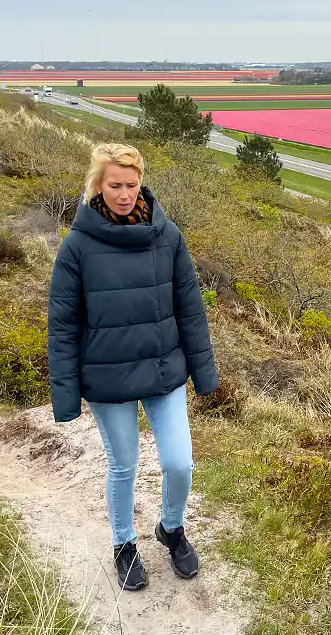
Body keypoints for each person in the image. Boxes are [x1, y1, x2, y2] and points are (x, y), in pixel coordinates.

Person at [47, 143, 218, 592]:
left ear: (141, 182)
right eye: (114, 184)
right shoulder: (77, 246)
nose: (124, 194)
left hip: (164, 371)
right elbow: (62, 325)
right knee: (123, 464)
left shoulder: (168, 236)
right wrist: (65, 396)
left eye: (131, 184)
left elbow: (190, 309)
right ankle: (124, 544)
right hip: (108, 378)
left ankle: (171, 528)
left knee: (179, 463)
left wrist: (204, 372)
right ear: (97, 186)